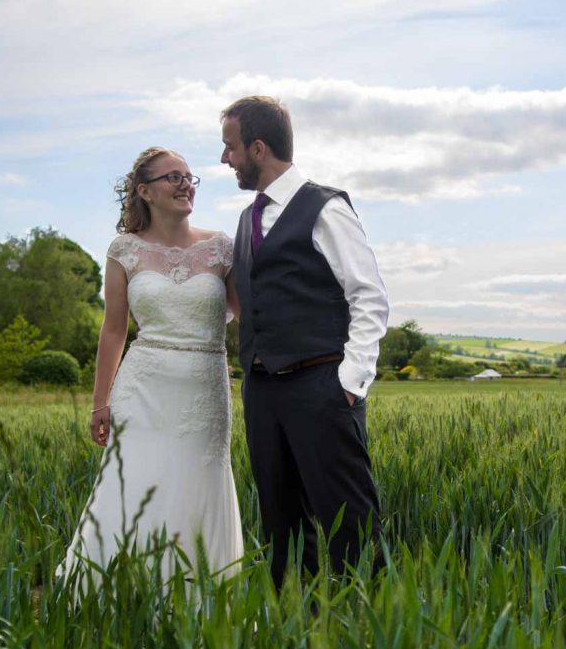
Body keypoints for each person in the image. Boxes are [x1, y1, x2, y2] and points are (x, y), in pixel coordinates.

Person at [220, 96, 389, 589]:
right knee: (281, 525)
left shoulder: (325, 207)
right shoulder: (247, 220)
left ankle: (371, 628)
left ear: (258, 147)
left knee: (349, 522)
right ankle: (300, 632)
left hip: (321, 386)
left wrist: (349, 384)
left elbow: (369, 297)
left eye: (230, 147)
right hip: (263, 392)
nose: (225, 159)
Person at [59, 147, 243, 584]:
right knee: (134, 485)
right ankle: (121, 593)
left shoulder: (221, 247)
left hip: (204, 386)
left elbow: (244, 314)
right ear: (144, 191)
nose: (185, 184)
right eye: (172, 177)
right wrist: (99, 401)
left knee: (198, 484)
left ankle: (198, 598)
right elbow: (113, 330)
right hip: (141, 389)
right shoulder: (124, 249)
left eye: (189, 177)